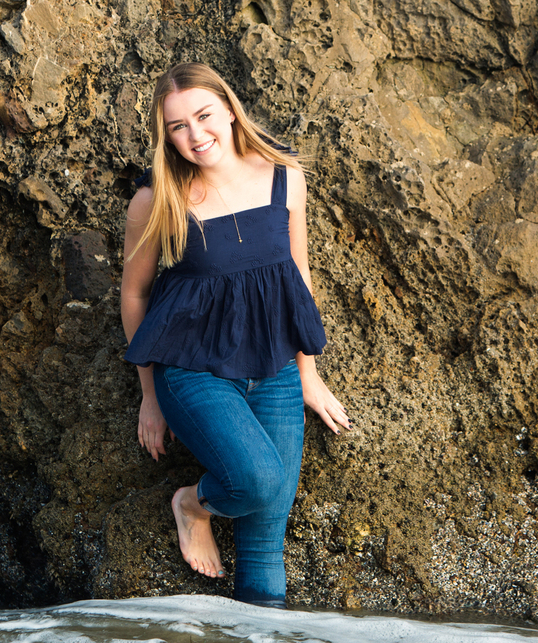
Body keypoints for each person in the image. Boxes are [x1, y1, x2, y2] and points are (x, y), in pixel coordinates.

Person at [120, 62, 351, 608]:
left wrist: (308, 375)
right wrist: (149, 395)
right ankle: (192, 505)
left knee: (267, 542)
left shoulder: (282, 175)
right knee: (258, 482)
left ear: (228, 108)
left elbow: (296, 276)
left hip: (273, 369)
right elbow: (134, 294)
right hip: (192, 371)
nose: (196, 136)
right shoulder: (158, 198)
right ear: (165, 135)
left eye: (203, 116)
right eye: (177, 126)